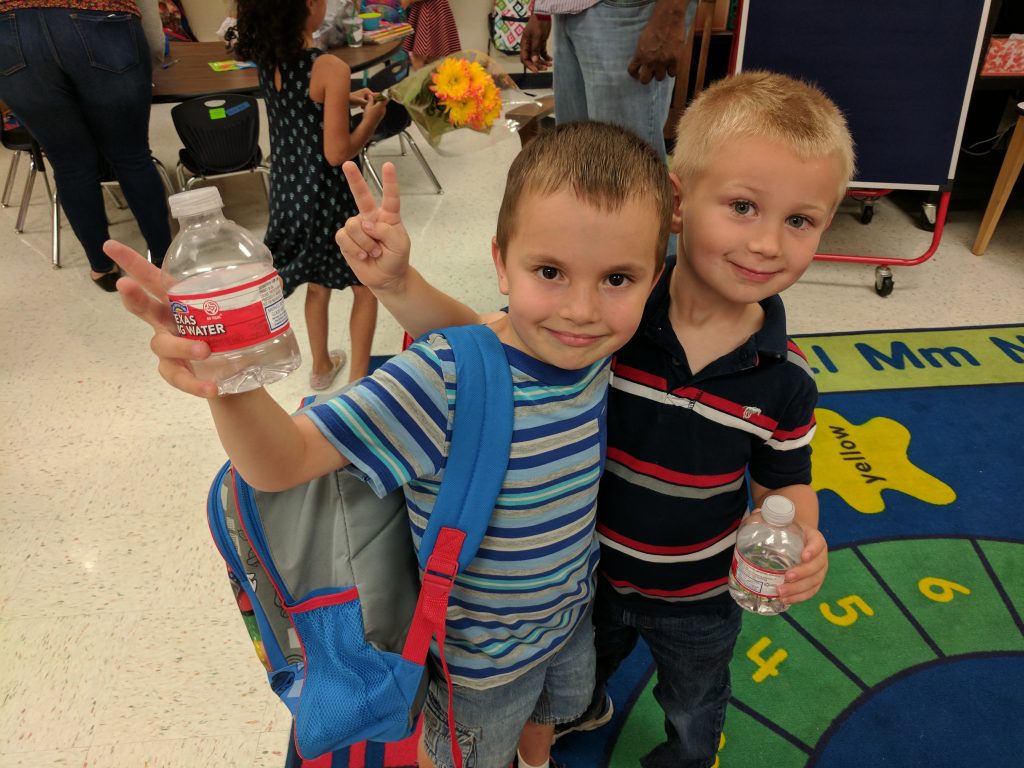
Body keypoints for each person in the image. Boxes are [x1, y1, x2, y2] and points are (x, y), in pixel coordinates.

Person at [106, 119, 675, 768]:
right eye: (550, 271)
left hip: (569, 612)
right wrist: (226, 380)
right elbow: (283, 461)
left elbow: (482, 334)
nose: (582, 310)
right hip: (476, 662)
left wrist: (401, 285)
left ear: (652, 278)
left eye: (617, 280)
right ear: (500, 262)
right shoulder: (439, 383)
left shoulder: (589, 350)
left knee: (547, 715)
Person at [341, 71, 852, 768]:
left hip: (701, 594)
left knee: (695, 701)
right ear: (678, 203)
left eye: (800, 221)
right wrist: (401, 285)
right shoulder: (613, 311)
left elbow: (785, 482)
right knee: (573, 689)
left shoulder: (786, 379)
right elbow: (485, 346)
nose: (767, 243)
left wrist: (803, 536)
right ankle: (568, 723)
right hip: (589, 581)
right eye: (743, 206)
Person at [232, 0, 387, 386]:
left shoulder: (269, 59)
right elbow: (337, 153)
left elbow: (299, 104)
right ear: (308, 6)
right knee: (365, 286)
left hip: (288, 192)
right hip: (326, 195)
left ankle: (320, 368)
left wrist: (345, 97)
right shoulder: (330, 67)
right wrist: (370, 121)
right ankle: (357, 382)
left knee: (317, 284)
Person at [0, 0, 172, 290]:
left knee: (70, 166)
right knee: (132, 157)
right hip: (102, 17)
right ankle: (165, 261)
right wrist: (154, 49)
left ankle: (102, 268)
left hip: (10, 28)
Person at [520, 0, 695, 156]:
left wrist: (672, 12)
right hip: (566, 10)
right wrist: (541, 10)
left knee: (627, 163)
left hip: (627, 10)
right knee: (573, 159)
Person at [401, 0, 462, 70]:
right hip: (431, 9)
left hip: (429, 10)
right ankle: (430, 74)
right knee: (433, 51)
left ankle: (421, 75)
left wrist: (407, 1)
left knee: (418, 54)